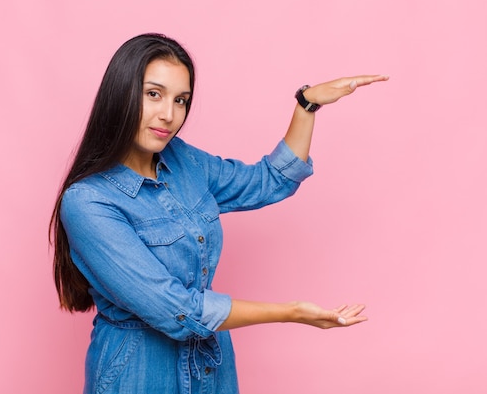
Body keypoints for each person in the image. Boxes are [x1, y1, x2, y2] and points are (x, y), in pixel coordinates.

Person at [49, 33, 388, 394]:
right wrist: (292, 312)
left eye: (181, 100)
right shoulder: (88, 202)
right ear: (120, 95)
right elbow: (178, 311)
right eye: (153, 94)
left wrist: (306, 105)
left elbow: (269, 181)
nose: (169, 114)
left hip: (210, 364)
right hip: (140, 372)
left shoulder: (183, 161)